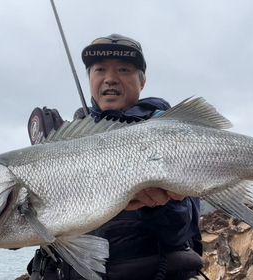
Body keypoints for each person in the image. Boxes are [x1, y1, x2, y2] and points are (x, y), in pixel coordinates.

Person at [26, 34, 205, 280]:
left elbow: (182, 230)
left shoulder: (172, 135)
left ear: (142, 81)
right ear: (89, 78)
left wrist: (162, 204)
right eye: (99, 69)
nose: (110, 78)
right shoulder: (63, 142)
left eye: (124, 69)